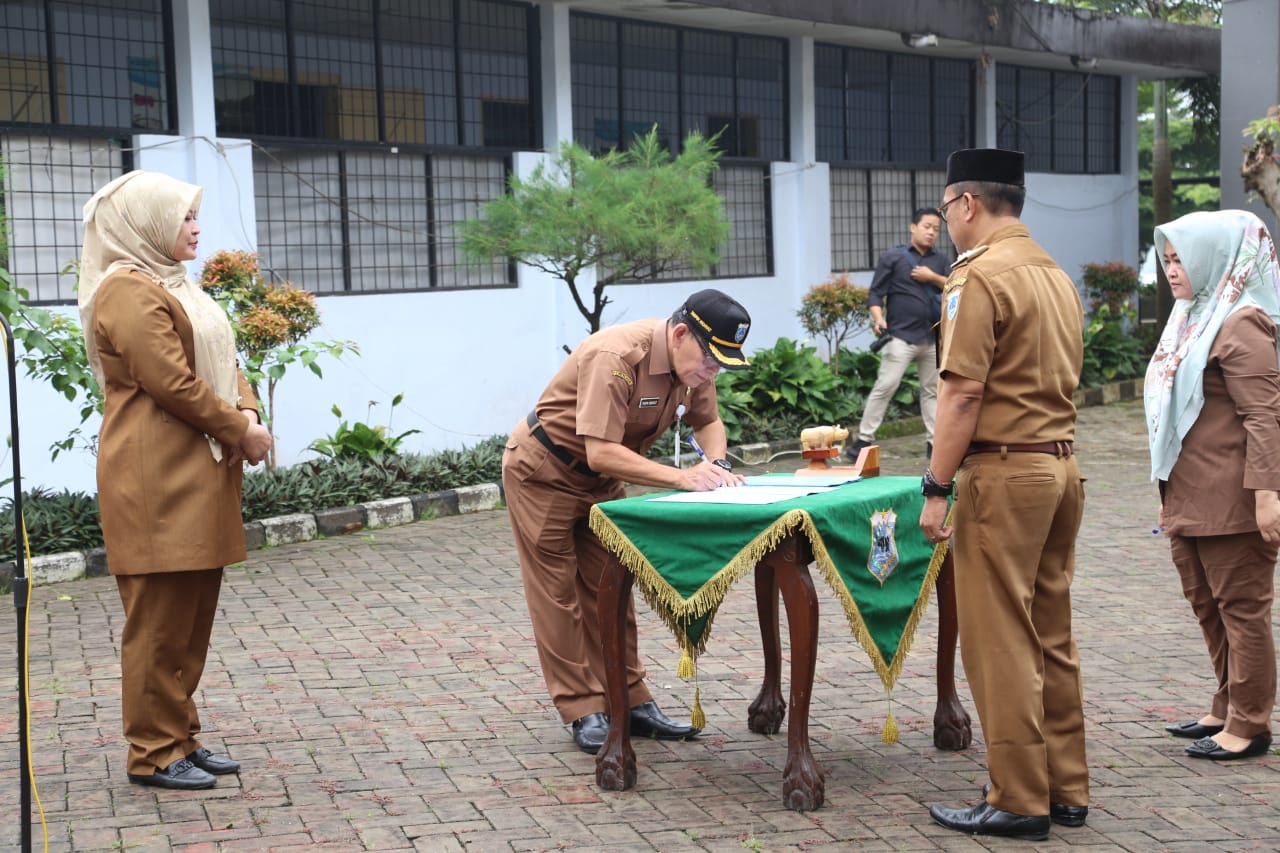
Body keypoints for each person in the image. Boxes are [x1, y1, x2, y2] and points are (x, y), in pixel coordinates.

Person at [79, 171, 273, 790]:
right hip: (156, 477)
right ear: (146, 222)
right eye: (185, 217)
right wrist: (242, 430)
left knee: (189, 621)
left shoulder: (176, 286)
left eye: (194, 216)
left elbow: (225, 359)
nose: (196, 228)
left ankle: (180, 738)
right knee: (158, 623)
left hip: (198, 470)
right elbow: (173, 382)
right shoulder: (126, 291)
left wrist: (247, 409)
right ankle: (152, 752)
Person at [919, 149, 1089, 841]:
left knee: (999, 641)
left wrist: (935, 485)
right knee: (1051, 633)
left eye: (948, 208)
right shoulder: (1053, 271)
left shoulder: (978, 275)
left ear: (966, 205)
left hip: (1005, 473)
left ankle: (1018, 797)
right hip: (1060, 468)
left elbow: (961, 391)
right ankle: (1064, 785)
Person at [503, 289, 751, 753]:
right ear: (680, 334)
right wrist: (682, 478)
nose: (712, 373)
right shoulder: (615, 355)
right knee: (557, 595)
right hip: (545, 471)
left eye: (722, 364)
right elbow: (600, 450)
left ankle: (630, 701)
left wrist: (715, 466)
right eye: (711, 361)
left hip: (603, 480)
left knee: (611, 587)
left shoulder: (696, 363)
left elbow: (708, 422)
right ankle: (582, 709)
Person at [1144, 210, 1280, 761]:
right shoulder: (1194, 316)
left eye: (1182, 259)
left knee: (1241, 607)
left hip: (1233, 497)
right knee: (1207, 604)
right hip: (1186, 492)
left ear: (1217, 259)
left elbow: (1265, 418)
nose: (1172, 270)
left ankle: (1250, 724)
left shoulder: (1242, 322)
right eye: (1168, 259)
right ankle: (1225, 704)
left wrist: (1269, 495)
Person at [846, 207, 950, 461]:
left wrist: (932, 276)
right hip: (900, 337)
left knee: (931, 392)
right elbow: (875, 293)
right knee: (885, 386)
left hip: (932, 338)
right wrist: (878, 318)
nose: (931, 232)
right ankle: (863, 440)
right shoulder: (894, 257)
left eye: (936, 229)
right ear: (913, 227)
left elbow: (954, 286)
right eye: (927, 226)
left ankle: (934, 444)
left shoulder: (941, 260)